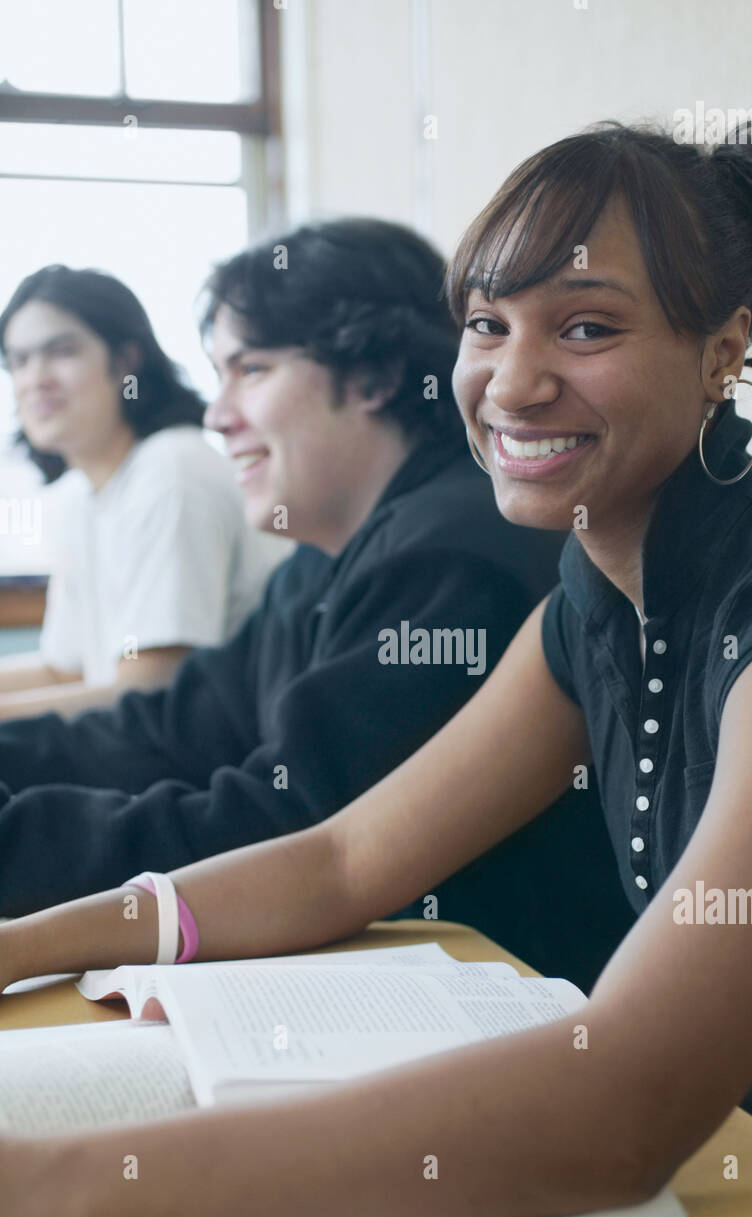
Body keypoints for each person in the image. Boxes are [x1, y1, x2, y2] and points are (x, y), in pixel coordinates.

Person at [2, 119, 752, 1217]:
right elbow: (347, 859)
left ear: (723, 350)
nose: (513, 380)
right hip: (723, 1196)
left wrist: (56, 1190)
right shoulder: (593, 588)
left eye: (588, 327)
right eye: (488, 326)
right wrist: (24, 943)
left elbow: (621, 1106)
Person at [0, 219, 628, 982]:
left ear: (373, 375)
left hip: (500, 1004)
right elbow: (172, 730)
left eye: (251, 370)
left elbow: (287, 832)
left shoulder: (450, 558)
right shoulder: (320, 559)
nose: (216, 413)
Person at [0, 266, 284, 720]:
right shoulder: (79, 496)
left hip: (212, 762)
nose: (35, 378)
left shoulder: (172, 468)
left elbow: (150, 688)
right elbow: (63, 670)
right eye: (18, 361)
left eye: (61, 352)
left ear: (125, 361)